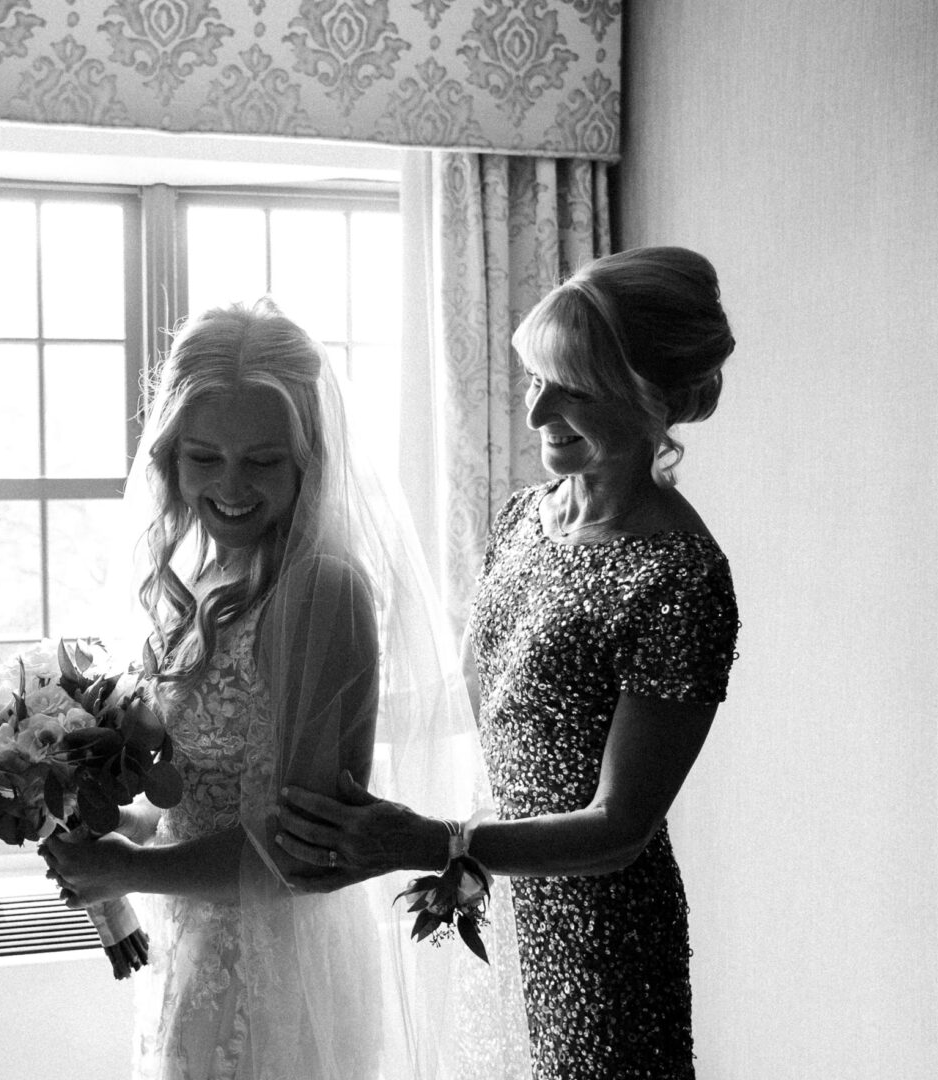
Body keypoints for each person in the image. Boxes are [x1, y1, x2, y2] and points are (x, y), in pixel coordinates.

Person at [275, 246, 741, 1079]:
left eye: (575, 388)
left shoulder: (682, 577)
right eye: (534, 381)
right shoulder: (525, 518)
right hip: (500, 900)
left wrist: (430, 841)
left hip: (602, 944)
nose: (537, 415)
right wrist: (293, 721)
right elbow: (471, 696)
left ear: (653, 399)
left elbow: (618, 830)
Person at [41, 299, 530, 1080]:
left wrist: (127, 871)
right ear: (170, 454)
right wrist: (123, 828)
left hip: (276, 978)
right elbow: (210, 795)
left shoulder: (317, 591)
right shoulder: (205, 576)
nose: (230, 487)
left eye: (263, 461)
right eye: (204, 457)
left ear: (310, 458)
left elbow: (299, 856)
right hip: (199, 953)